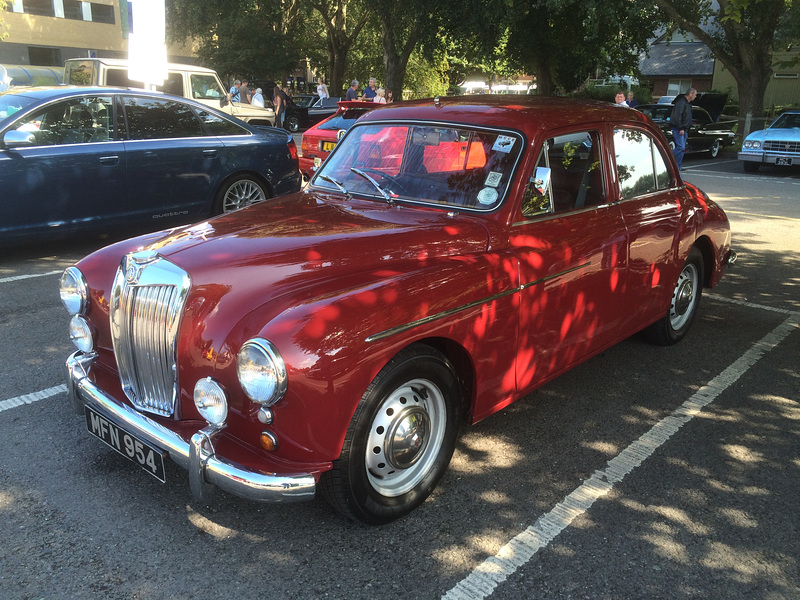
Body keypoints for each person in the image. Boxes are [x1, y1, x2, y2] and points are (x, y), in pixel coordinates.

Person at [670, 87, 697, 170]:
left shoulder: (688, 104)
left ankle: (677, 167)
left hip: (684, 129)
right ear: (690, 94)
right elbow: (678, 116)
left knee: (682, 149)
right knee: (680, 147)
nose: (695, 96)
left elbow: (687, 118)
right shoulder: (681, 103)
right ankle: (667, 157)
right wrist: (680, 127)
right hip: (678, 129)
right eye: (695, 94)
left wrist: (686, 130)